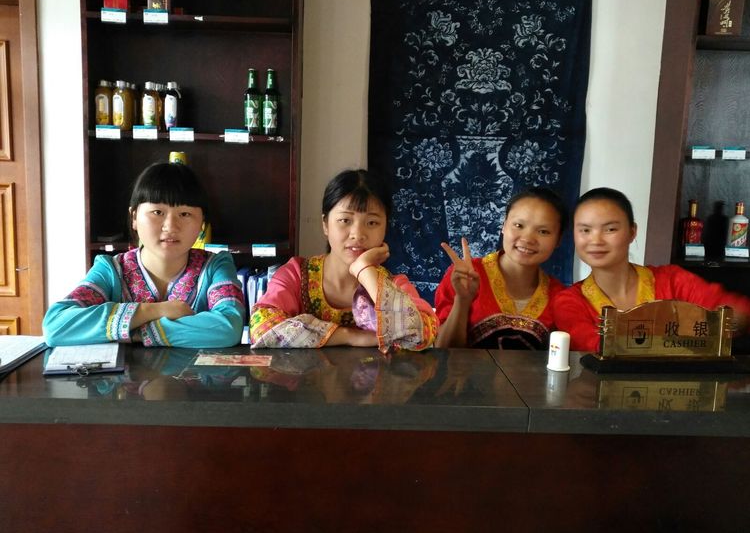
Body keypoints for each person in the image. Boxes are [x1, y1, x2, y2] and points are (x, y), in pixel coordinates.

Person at [43, 162, 245, 348]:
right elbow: (56, 326)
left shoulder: (216, 266)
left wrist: (136, 332)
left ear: (202, 224)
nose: (170, 226)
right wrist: (155, 310)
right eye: (157, 212)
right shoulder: (110, 269)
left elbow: (229, 328)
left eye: (185, 214)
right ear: (134, 217)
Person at [250, 169, 438, 353]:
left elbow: (423, 335)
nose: (358, 234)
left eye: (372, 223)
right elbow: (261, 328)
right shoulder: (296, 275)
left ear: (385, 227)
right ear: (325, 224)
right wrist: (349, 336)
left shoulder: (395, 285)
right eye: (345, 220)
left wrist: (364, 270)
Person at [553, 187, 750, 352]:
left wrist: (721, 322)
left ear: (632, 232)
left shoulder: (672, 280)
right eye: (585, 230)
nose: (596, 240)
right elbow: (596, 346)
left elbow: (737, 311)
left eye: (610, 229)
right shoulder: (569, 302)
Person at [434, 187, 568, 349]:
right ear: (504, 225)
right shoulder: (466, 274)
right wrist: (462, 300)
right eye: (519, 225)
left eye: (543, 231)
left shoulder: (560, 296)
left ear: (558, 239)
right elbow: (442, 350)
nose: (527, 238)